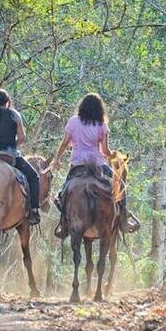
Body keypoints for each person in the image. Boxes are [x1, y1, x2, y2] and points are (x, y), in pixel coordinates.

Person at [53, 93, 138, 235]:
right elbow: (104, 151)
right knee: (120, 187)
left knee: (63, 193)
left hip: (78, 164)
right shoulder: (101, 125)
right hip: (98, 165)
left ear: (82, 107)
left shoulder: (73, 121)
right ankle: (123, 219)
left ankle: (63, 223)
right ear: (100, 109)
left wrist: (57, 159)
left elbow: (64, 143)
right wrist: (114, 155)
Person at [0, 89, 41, 225]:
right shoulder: (13, 114)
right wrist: (12, 144)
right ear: (7, 102)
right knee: (34, 177)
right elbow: (22, 138)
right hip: (9, 156)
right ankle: (33, 210)